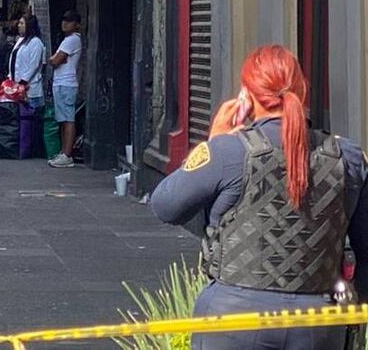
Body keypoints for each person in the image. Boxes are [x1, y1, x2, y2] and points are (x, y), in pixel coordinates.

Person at [151, 45, 368, 350]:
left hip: (233, 319)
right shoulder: (349, 157)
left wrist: (213, 141)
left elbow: (165, 206)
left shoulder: (227, 152)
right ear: (302, 90)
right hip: (318, 323)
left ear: (246, 95)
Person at [48, 9, 83, 168]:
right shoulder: (67, 40)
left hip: (66, 83)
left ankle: (67, 154)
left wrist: (55, 59)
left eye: (69, 21)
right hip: (61, 83)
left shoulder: (72, 40)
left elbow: (55, 60)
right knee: (62, 119)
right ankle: (64, 152)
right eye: (64, 20)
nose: (65, 23)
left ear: (76, 24)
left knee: (68, 119)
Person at [8, 14, 45, 113]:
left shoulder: (36, 42)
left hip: (30, 88)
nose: (19, 25)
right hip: (16, 88)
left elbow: (34, 65)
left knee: (31, 120)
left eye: (22, 23)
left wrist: (23, 82)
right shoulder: (20, 40)